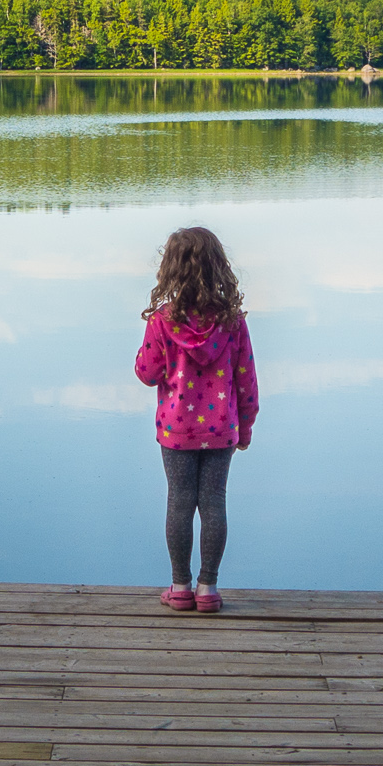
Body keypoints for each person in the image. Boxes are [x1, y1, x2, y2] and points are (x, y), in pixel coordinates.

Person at [134, 226, 259, 613]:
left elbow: (146, 373)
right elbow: (246, 379)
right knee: (214, 503)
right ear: (219, 268)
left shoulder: (161, 322)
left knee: (179, 502)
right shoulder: (232, 322)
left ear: (170, 270)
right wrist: (247, 426)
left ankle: (180, 587)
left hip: (176, 431)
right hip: (221, 429)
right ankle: (208, 589)